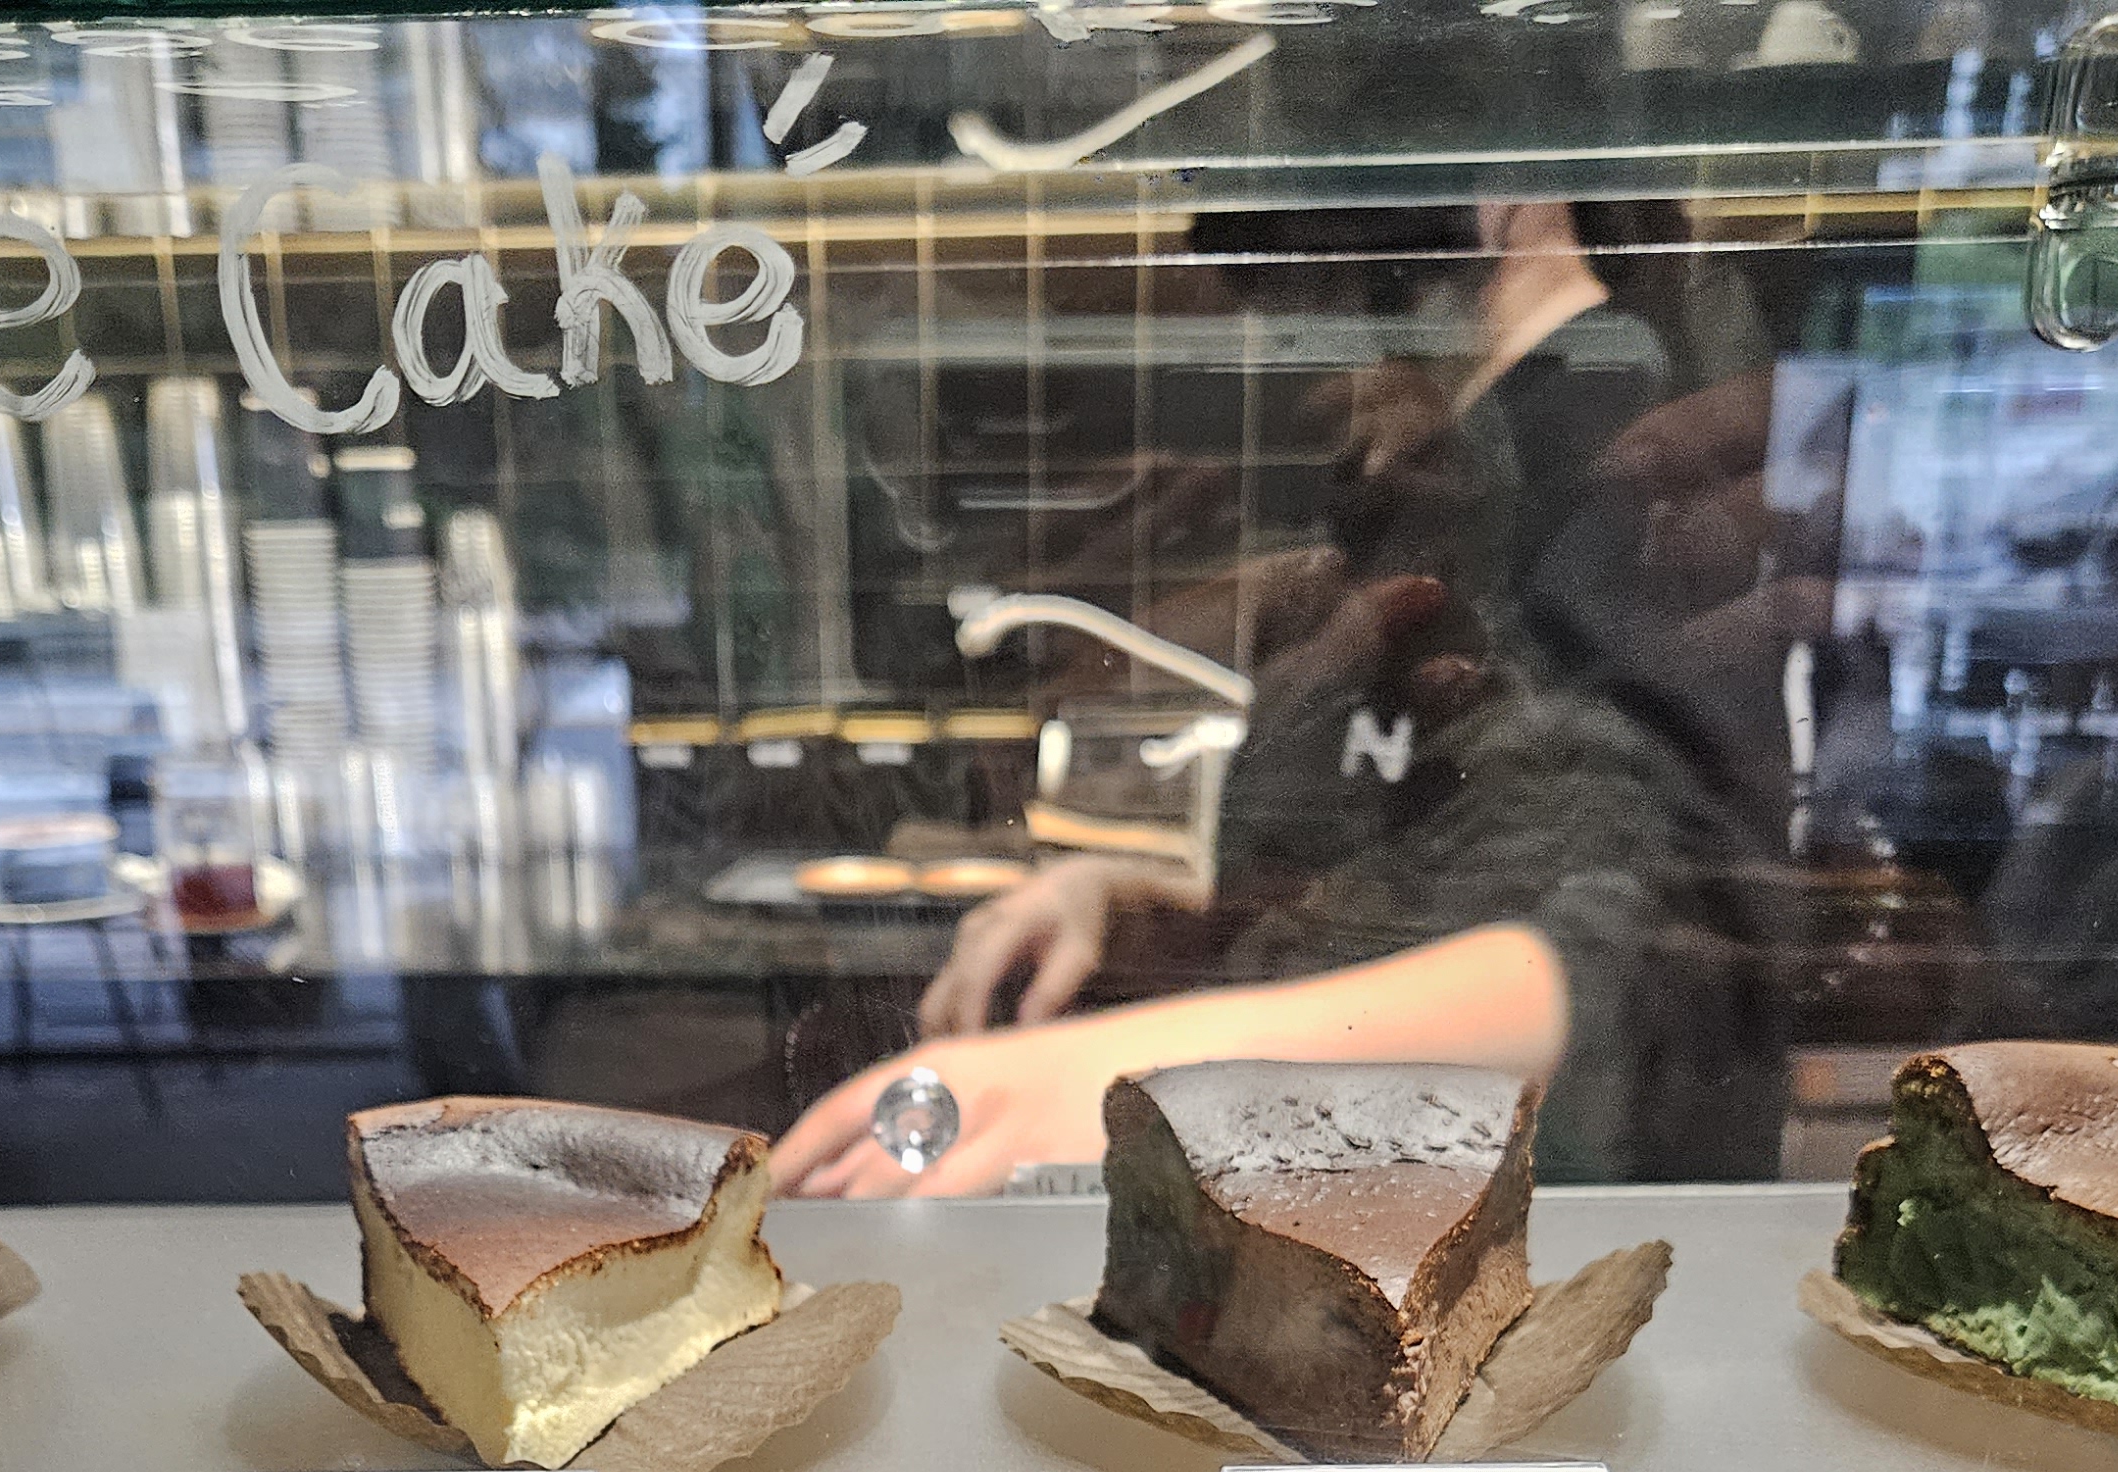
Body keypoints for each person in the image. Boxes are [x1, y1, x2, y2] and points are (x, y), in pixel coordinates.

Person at [774, 199, 1824, 1200]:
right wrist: (1157, 900)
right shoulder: (1448, 460)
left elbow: (1635, 944)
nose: (1302, 349)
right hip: (1375, 1184)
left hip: (1542, 1206)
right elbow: (1435, 848)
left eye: (1316, 284)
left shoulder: (1616, 436)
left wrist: (1135, 1082)